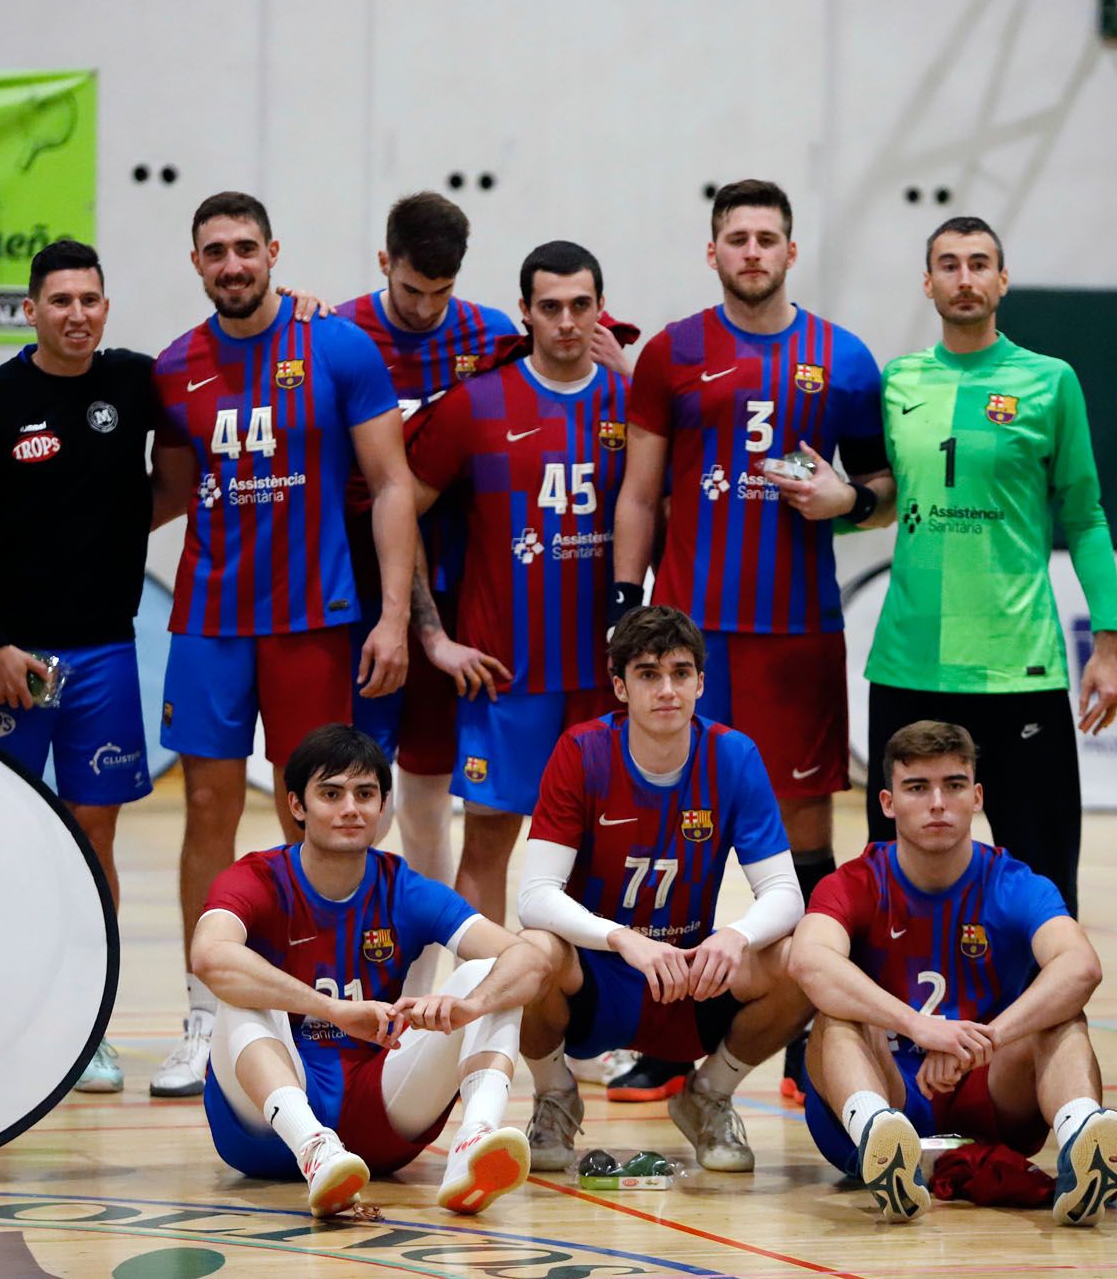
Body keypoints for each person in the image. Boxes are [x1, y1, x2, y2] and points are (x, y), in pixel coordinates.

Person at [610, 178, 889, 1103]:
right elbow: (641, 494)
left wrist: (846, 502)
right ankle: (666, 1036)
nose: (754, 252)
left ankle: (809, 1032)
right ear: (714, 252)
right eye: (738, 238)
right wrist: (626, 601)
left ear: (791, 252)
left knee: (807, 835)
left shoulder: (845, 360)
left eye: (768, 237)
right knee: (675, 832)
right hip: (693, 636)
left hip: (798, 634)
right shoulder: (674, 354)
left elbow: (883, 490)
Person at [147, 191, 420, 1099]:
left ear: (272, 252)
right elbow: (173, 493)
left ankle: (321, 1002)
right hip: (212, 620)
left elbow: (390, 484)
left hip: (317, 620)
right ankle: (205, 1011)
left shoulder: (336, 345)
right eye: (213, 252)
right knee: (208, 808)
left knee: (318, 813)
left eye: (244, 248)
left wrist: (391, 616)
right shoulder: (175, 367)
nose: (231, 264)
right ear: (196, 264)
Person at [0, 239, 176, 1093]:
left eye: (91, 299)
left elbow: (218, 374)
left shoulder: (134, 382)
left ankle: (90, 1024)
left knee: (93, 835)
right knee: (2, 837)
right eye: (60, 300)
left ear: (106, 308)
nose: (77, 313)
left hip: (106, 652)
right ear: (32, 309)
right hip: (6, 661)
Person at [862, 217, 1117, 921]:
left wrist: (1107, 642)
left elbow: (1086, 515)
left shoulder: (1049, 381)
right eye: (948, 265)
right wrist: (842, 502)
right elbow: (884, 499)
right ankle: (896, 1028)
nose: (965, 277)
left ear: (1003, 280)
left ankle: (1044, 1029)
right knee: (891, 882)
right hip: (910, 663)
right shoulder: (898, 382)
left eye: (980, 263)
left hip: (1018, 667)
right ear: (928, 283)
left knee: (1041, 883)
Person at [191, 725, 551, 1217]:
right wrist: (332, 1010)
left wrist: (469, 1005)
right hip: (266, 1129)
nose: (350, 809)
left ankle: (475, 1140)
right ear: (297, 805)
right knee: (238, 981)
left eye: (365, 794)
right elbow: (209, 956)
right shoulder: (256, 877)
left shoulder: (402, 886)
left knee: (493, 973)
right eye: (331, 794)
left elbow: (531, 960)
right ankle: (314, 1148)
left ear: (383, 807)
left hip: (379, 1114)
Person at [790, 720, 1117, 1225]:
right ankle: (879, 1137)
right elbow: (808, 960)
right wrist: (917, 1026)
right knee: (834, 1016)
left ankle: (1084, 1139)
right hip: (889, 1084)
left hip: (989, 1090)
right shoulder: (858, 881)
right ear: (887, 803)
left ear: (976, 797)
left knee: (1063, 1015)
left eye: (952, 786)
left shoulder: (1013, 882)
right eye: (917, 788)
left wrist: (984, 1041)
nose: (937, 803)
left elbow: (1081, 965)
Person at [516, 606, 812, 1172]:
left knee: (802, 959)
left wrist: (736, 936)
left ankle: (708, 1095)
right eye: (649, 674)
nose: (667, 689)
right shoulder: (581, 752)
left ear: (702, 682)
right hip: (599, 970)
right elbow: (534, 896)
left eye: (681, 673)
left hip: (688, 972)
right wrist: (622, 939)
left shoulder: (733, 756)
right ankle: (555, 1097)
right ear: (620, 686)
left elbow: (784, 893)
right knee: (531, 951)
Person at [401, 240, 629, 923]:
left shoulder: (632, 403)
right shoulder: (475, 405)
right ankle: (482, 1021)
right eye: (550, 307)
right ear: (524, 312)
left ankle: (588, 1023)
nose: (566, 321)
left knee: (598, 851)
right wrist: (432, 635)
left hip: (603, 675)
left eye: (580, 306)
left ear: (599, 311)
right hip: (502, 674)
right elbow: (397, 507)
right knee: (489, 846)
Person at [335, 192, 519, 937]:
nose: (424, 307)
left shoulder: (492, 335)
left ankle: (431, 963)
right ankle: (347, 951)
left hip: (460, 582)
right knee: (360, 785)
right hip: (357, 579)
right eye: (411, 289)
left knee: (427, 793)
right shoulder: (339, 332)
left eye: (441, 292)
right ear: (385, 263)